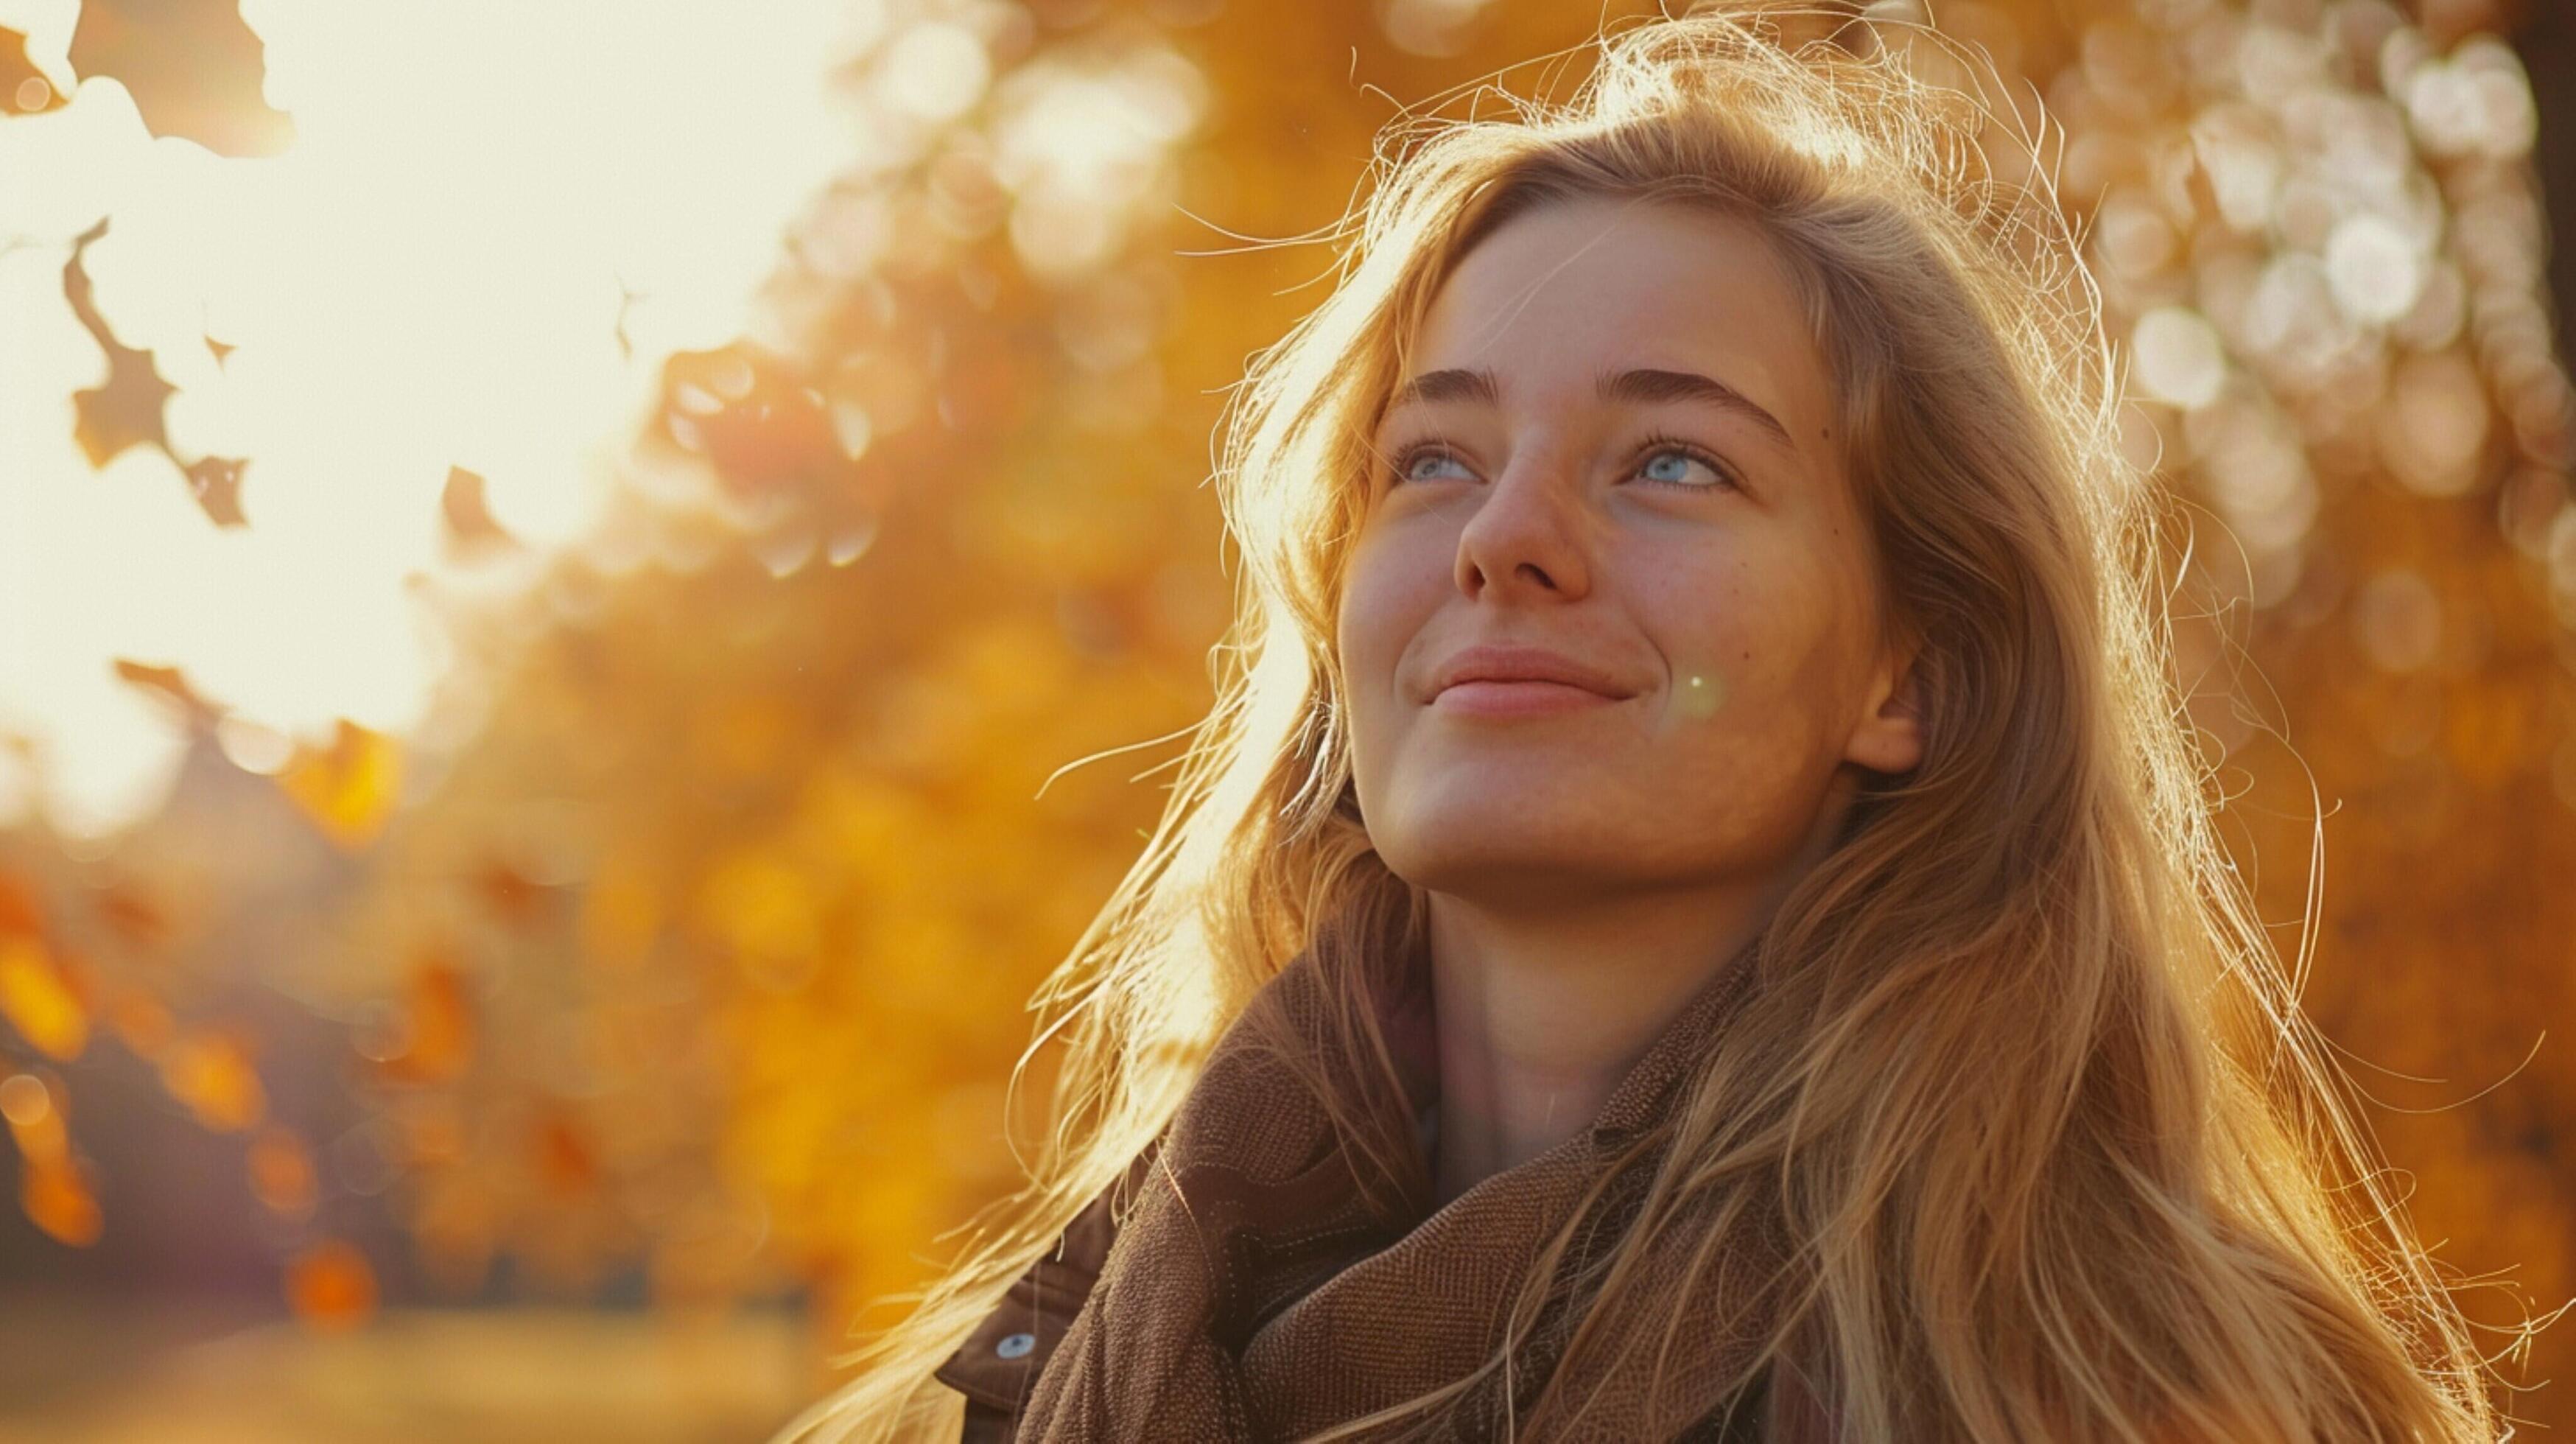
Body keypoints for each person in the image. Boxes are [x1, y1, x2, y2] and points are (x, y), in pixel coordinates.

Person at [775, 4, 2513, 1439]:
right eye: (1433, 458)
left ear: (1905, 672)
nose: (1502, 536)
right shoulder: (1037, 1379)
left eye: (1673, 458)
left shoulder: (2162, 1395)